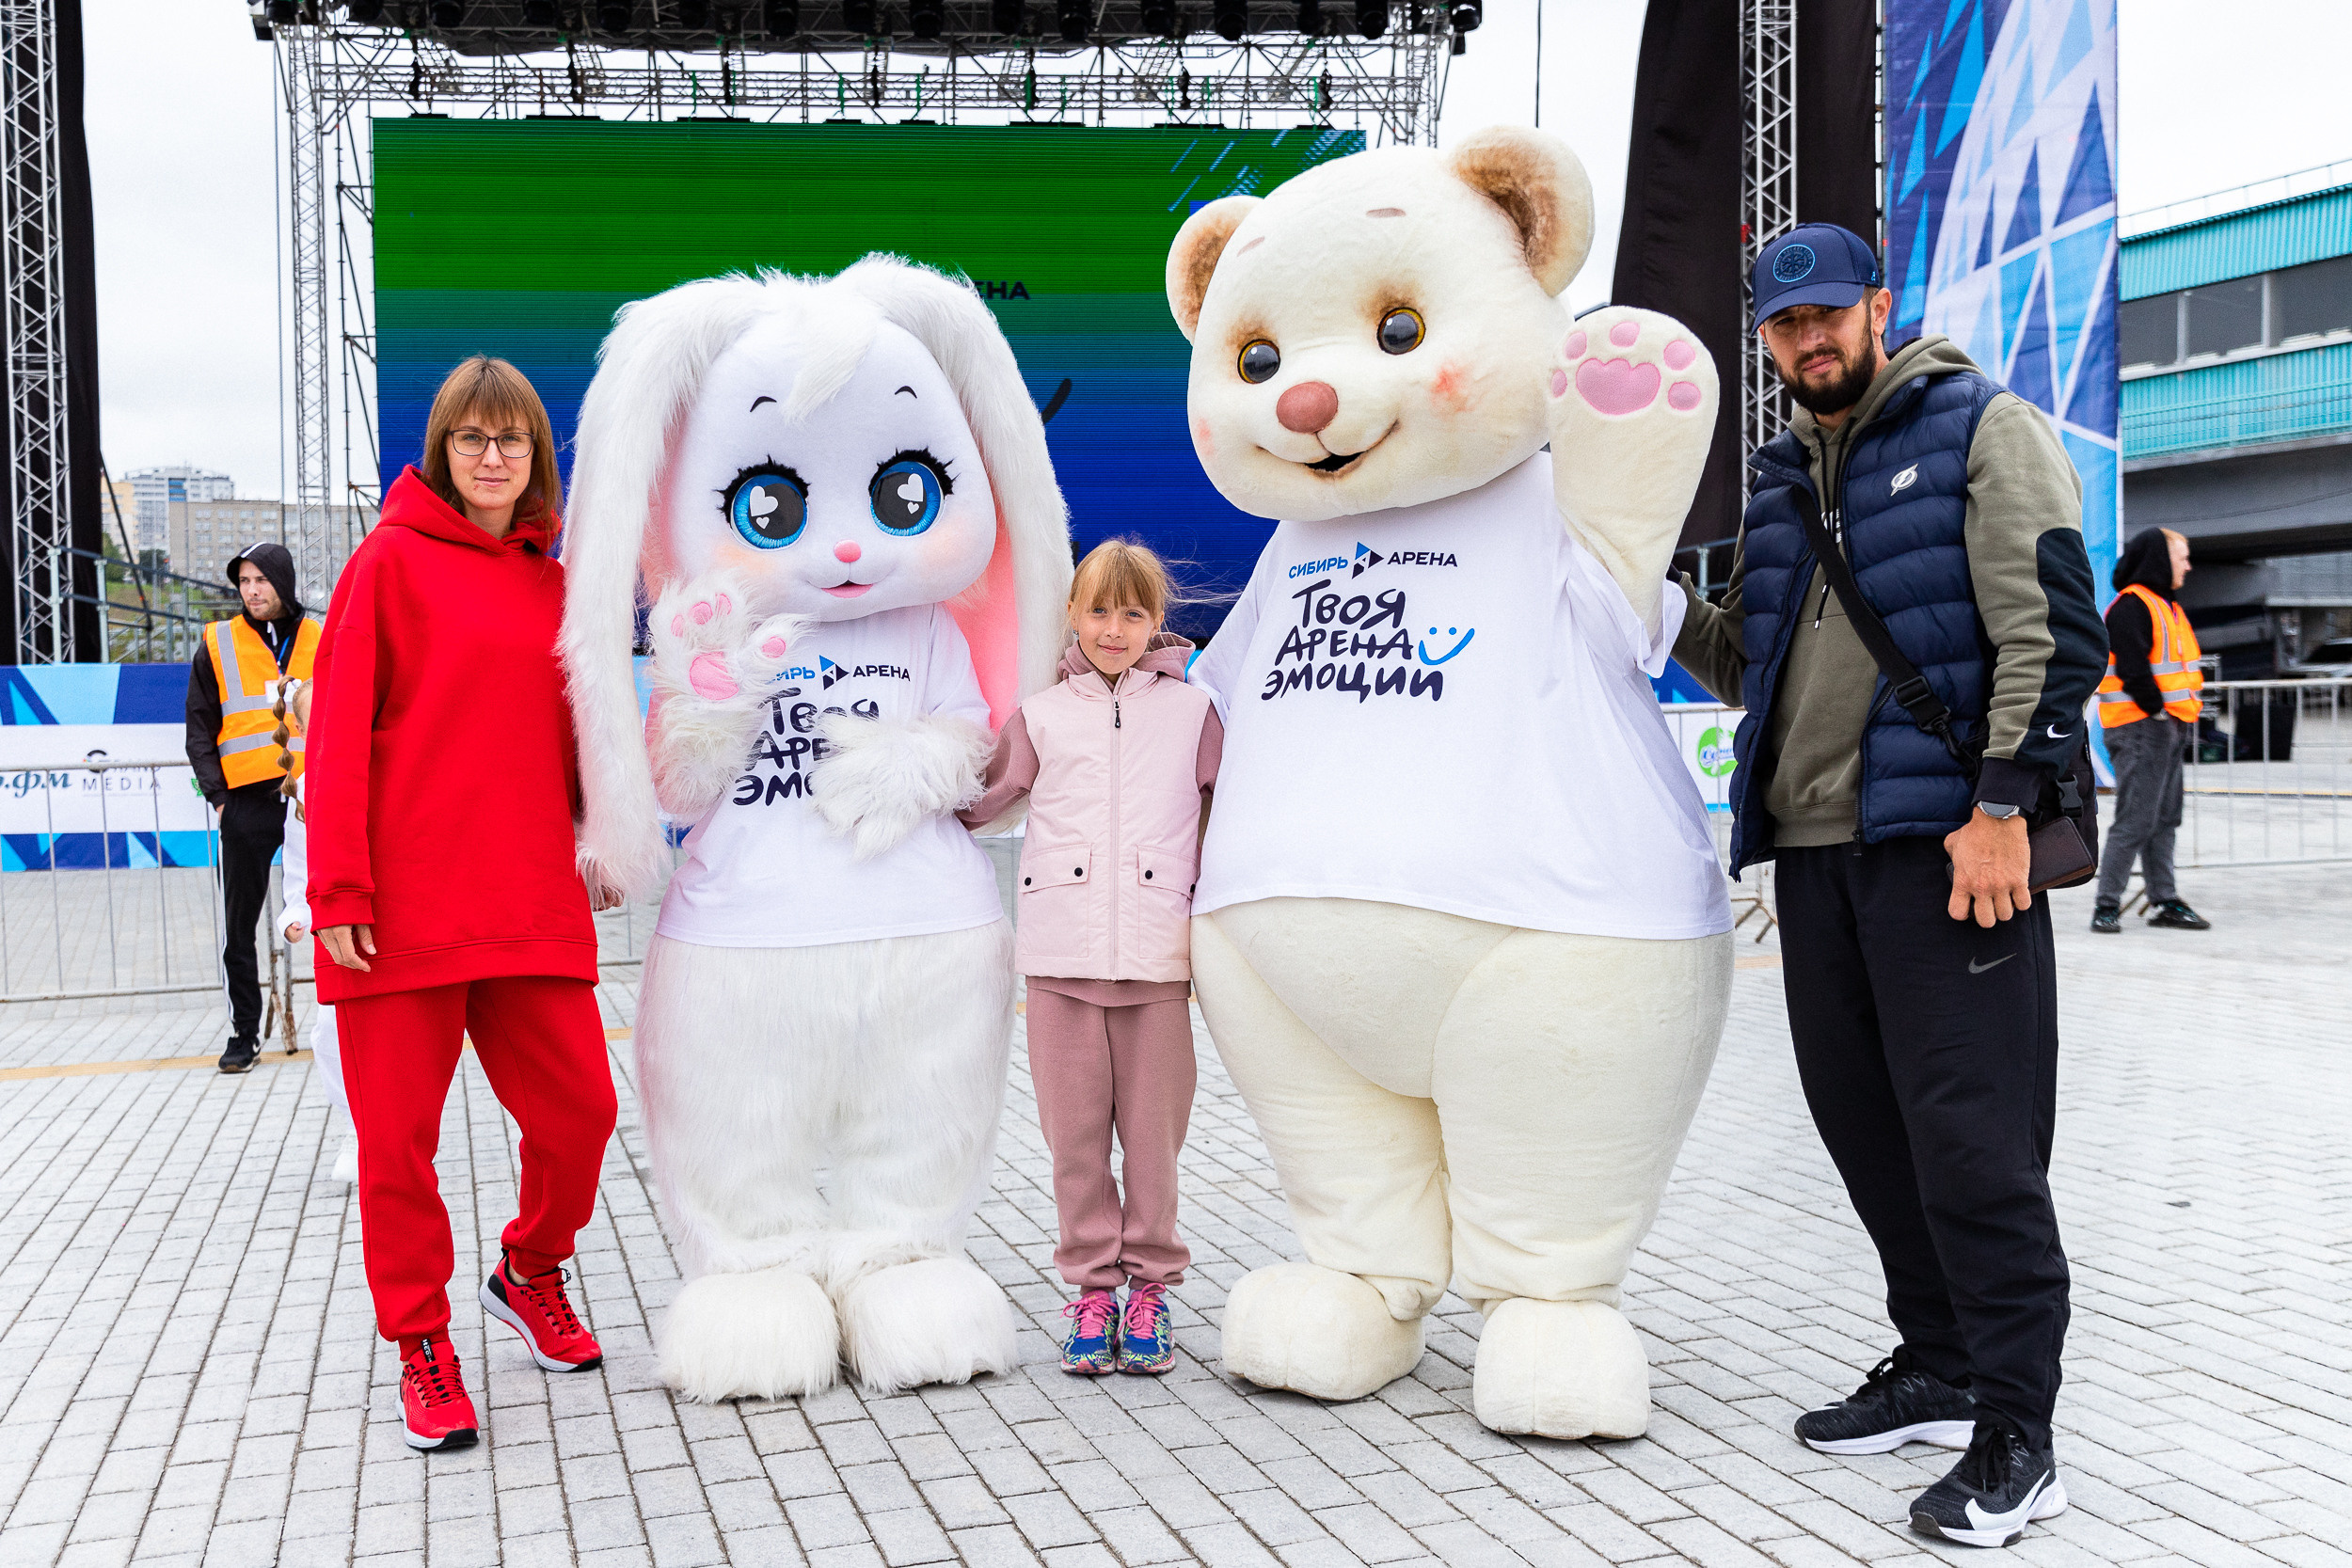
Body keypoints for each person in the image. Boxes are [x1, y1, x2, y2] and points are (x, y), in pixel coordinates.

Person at [1672, 223, 2106, 1547]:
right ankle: (1939, 1357)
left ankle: (2019, 1433)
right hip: (1815, 859)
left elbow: (2055, 624)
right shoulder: (1776, 479)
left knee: (1975, 1145)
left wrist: (2001, 808)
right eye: (1784, 327)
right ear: (1765, 340)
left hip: (1947, 851)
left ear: (1876, 307)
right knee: (1867, 1126)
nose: (1810, 342)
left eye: (1828, 317)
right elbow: (1760, 666)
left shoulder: (1981, 423)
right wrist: (1641, 596)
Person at [305, 355, 619, 1454]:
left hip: (527, 893)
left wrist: (607, 831)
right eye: (473, 440)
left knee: (582, 1112)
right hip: (395, 910)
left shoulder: (557, 583)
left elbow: (582, 733)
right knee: (398, 1148)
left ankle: (529, 1267)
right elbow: (335, 734)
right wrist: (336, 882)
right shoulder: (385, 565)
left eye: (513, 440)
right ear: (443, 451)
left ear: (537, 456)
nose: (493, 457)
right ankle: (421, 1342)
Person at [959, 541, 1221, 1377]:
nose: (1116, 629)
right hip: (1061, 955)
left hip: (1157, 961)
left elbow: (1232, 819)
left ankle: (1149, 1287)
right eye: (1099, 610)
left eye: (1135, 613)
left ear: (1157, 623)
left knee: (1154, 1140)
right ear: (1072, 613)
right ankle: (1091, 1289)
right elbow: (983, 800)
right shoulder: (1041, 713)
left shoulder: (1196, 713)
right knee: (1073, 1140)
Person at [185, 541, 318, 1073]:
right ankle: (244, 1032)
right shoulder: (216, 643)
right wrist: (219, 798)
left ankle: (349, 1017)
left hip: (315, 800)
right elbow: (199, 726)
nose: (252, 590)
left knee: (338, 908)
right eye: (244, 582)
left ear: (282, 582)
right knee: (238, 928)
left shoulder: (321, 636)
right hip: (245, 804)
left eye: (261, 580)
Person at [2092, 529, 2209, 934]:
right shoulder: (2132, 606)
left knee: (2165, 818)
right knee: (2137, 818)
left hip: (2169, 725)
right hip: (2143, 727)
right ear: (2160, 560)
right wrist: (2158, 712)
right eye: (2182, 558)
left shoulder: (2166, 605)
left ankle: (2165, 899)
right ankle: (2107, 904)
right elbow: (2133, 669)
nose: (2188, 566)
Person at [273, 678, 358, 1184]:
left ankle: (402, 1133)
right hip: (338, 935)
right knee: (330, 1035)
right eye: (314, 719)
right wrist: (295, 918)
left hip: (396, 925)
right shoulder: (303, 791)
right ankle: (356, 1129)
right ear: (301, 729)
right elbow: (297, 876)